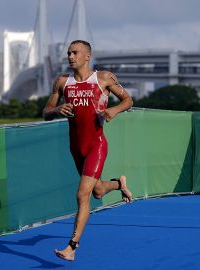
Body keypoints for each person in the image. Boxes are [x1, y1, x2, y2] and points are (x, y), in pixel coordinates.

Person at [43, 40, 134, 261]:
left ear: (87, 56)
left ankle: (72, 247)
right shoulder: (62, 82)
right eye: (68, 53)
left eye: (75, 52)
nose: (70, 56)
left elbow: (128, 100)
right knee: (98, 191)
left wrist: (115, 109)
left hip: (96, 145)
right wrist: (56, 109)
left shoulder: (103, 78)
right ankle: (118, 183)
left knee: (82, 194)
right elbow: (45, 112)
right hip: (76, 147)